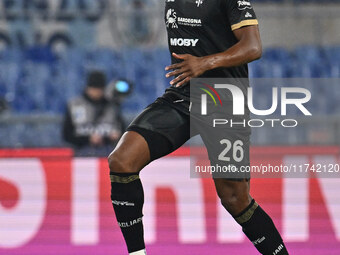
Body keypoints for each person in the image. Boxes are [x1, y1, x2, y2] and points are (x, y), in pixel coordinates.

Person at [108, 1, 289, 255]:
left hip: (225, 102)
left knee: (235, 199)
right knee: (121, 160)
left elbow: (253, 46)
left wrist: (205, 63)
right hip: (183, 97)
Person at [62, 71, 123, 151]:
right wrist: (88, 139)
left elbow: (122, 131)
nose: (97, 92)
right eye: (94, 89)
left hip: (108, 152)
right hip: (81, 153)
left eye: (99, 89)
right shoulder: (75, 105)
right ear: (87, 88)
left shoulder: (112, 106)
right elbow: (67, 135)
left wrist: (114, 137)